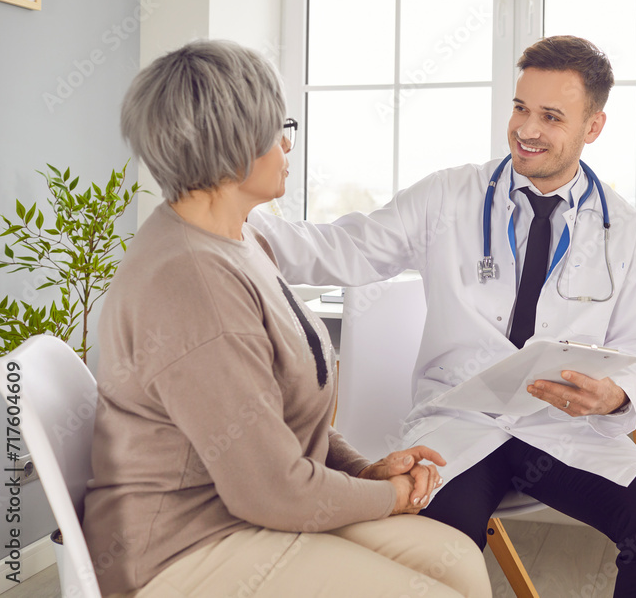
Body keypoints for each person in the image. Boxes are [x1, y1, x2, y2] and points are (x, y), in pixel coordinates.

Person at [248, 35, 636, 597]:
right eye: (520, 108)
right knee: (438, 548)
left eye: (551, 117)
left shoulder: (623, 230)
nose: (527, 130)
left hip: (559, 428)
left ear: (593, 126)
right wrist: (233, 214)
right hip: (459, 422)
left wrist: (615, 394)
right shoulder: (448, 197)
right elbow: (345, 248)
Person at [83, 39, 492, 598]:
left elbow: (277, 427)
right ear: (231, 146)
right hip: (185, 546)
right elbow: (272, 489)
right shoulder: (191, 282)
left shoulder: (242, 238)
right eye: (278, 129)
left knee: (456, 558)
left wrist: (365, 471)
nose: (286, 143)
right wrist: (393, 497)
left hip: (249, 508)